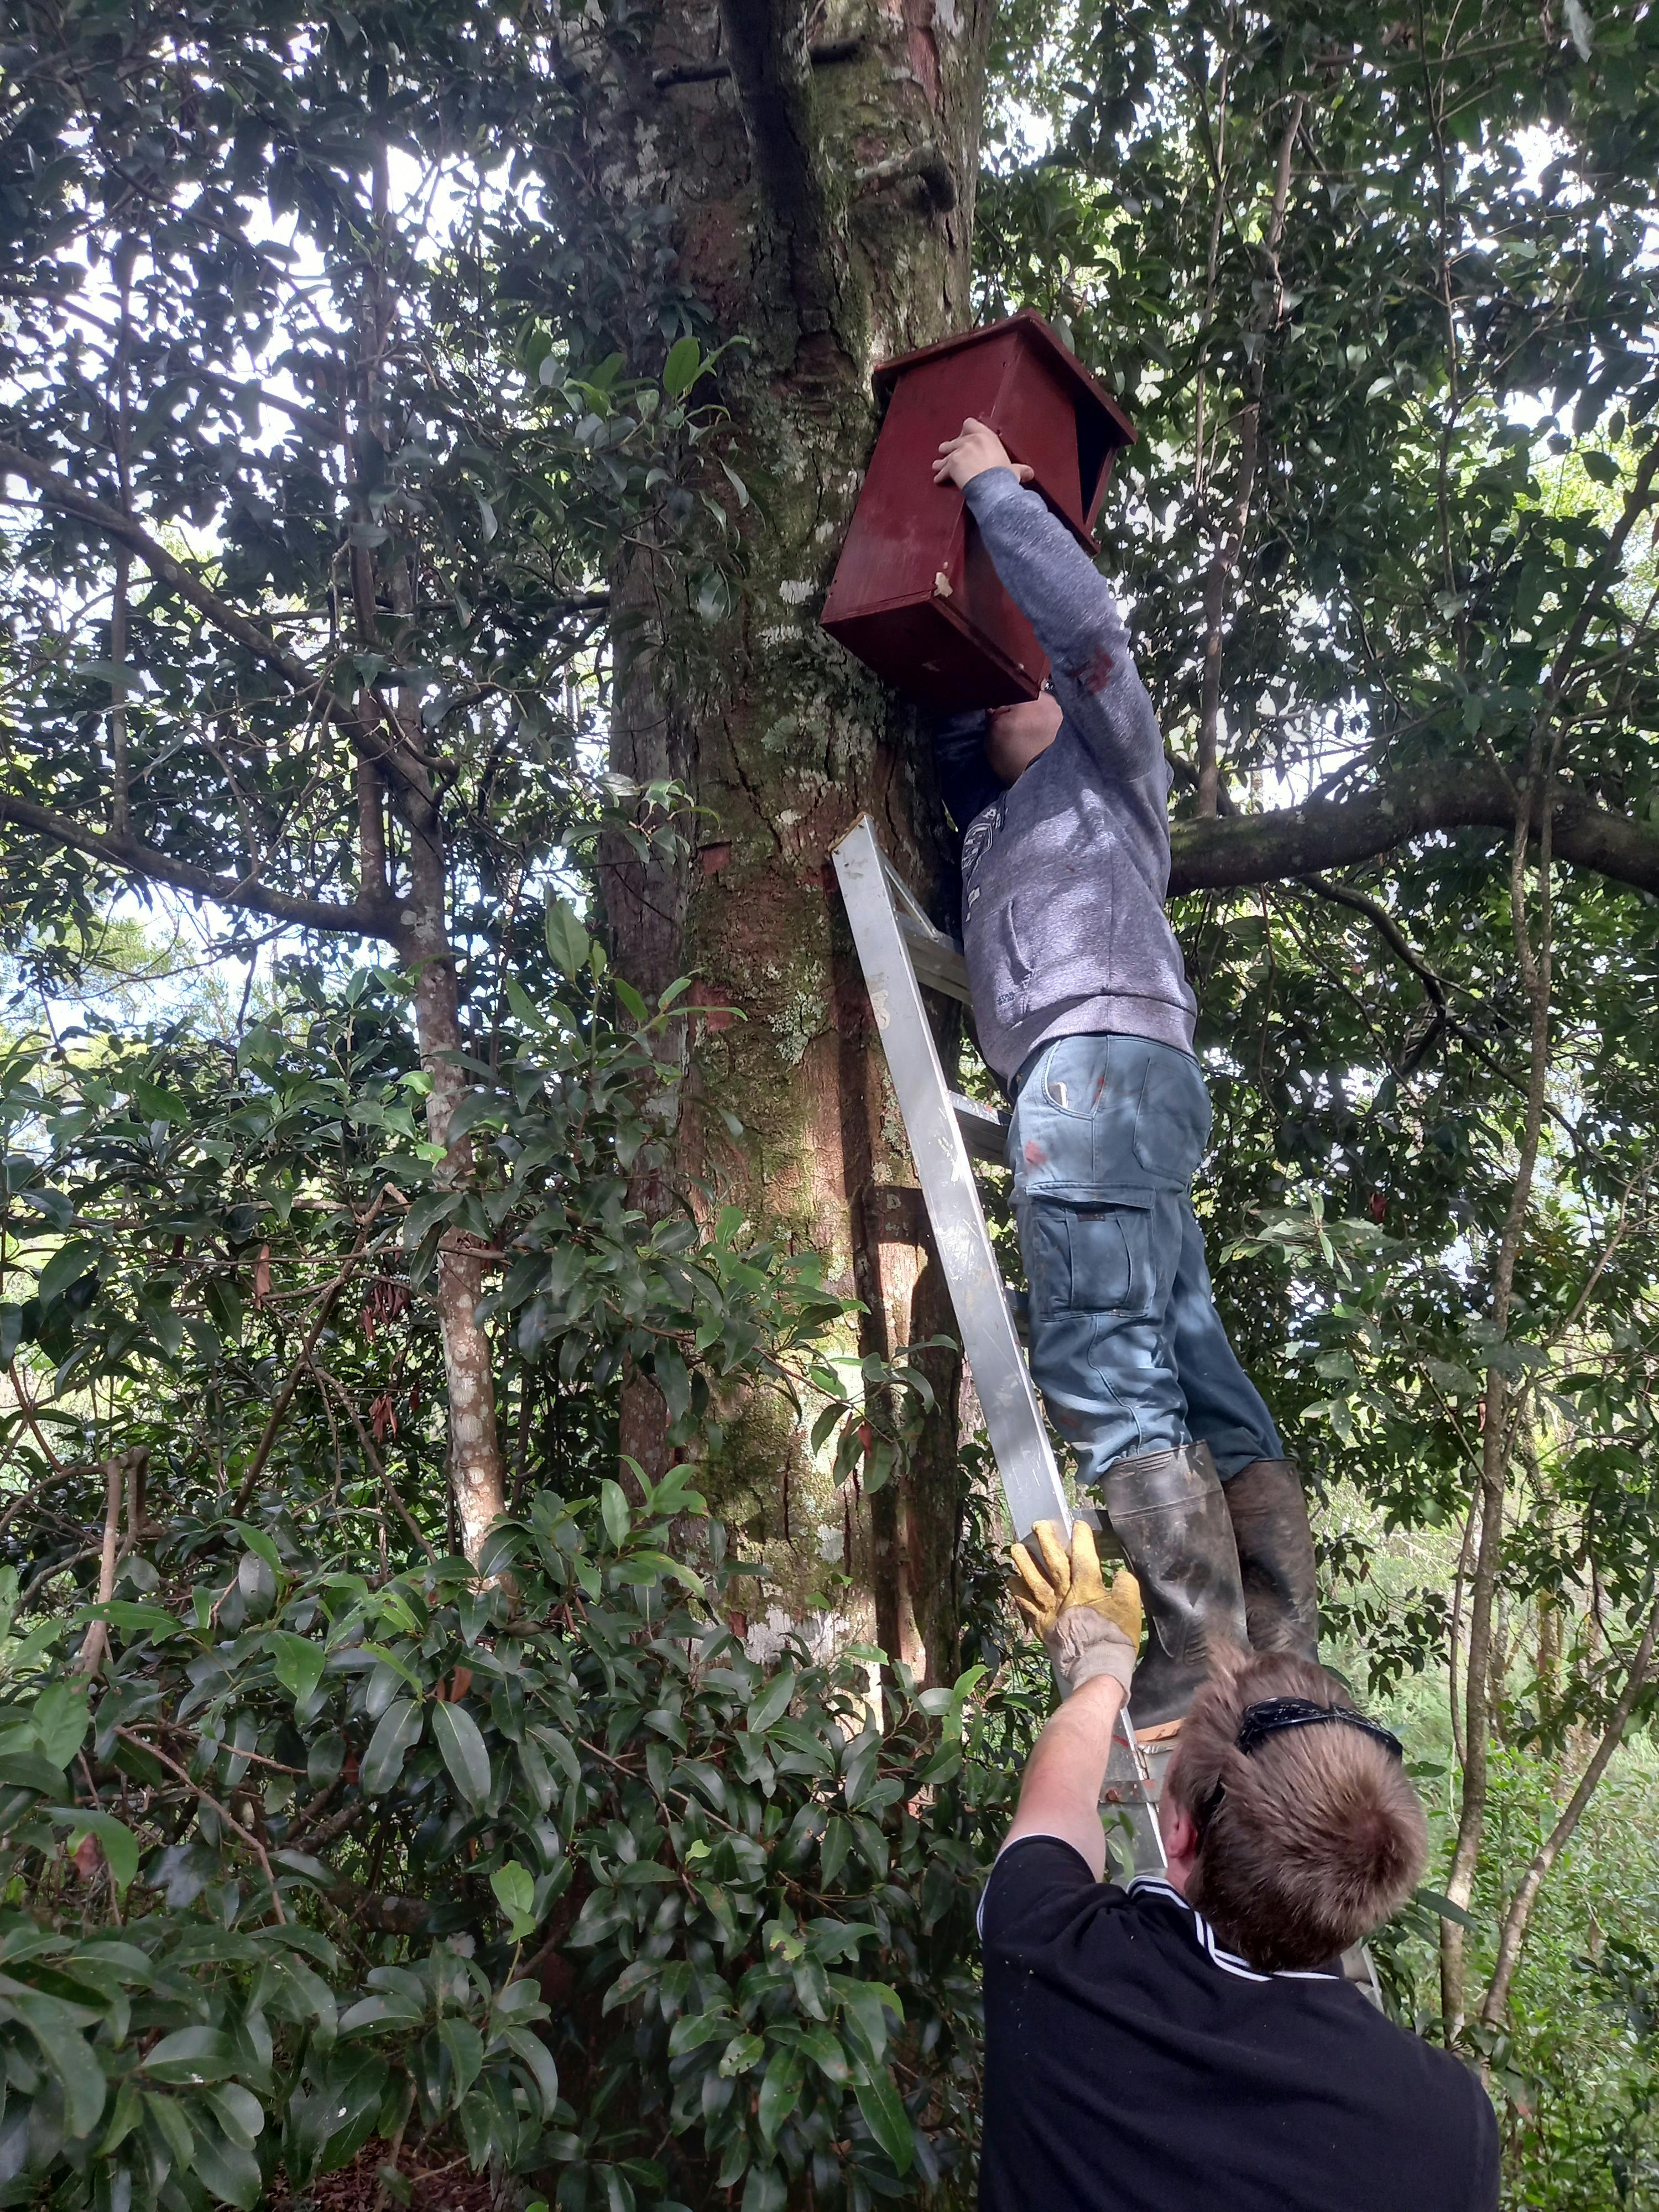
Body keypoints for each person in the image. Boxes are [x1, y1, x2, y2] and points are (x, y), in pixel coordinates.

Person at [930, 415, 1316, 1725]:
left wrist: (997, 492)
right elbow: (961, 711)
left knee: (1104, 1353)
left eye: (1036, 684)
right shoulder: (992, 825)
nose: (1027, 690)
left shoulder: (1107, 766)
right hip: (1131, 1081)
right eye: (1006, 691)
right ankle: (1275, 1640)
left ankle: (1197, 1654)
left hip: (1094, 1067)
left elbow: (1088, 633)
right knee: (1189, 1351)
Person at [983, 1520, 1500, 2212]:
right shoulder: (1450, 2124)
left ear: (1178, 1831)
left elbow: (1055, 1808)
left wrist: (1101, 1664)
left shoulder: (1059, 1961)